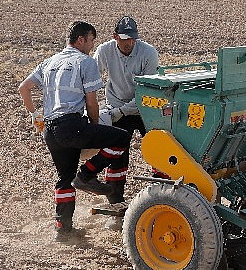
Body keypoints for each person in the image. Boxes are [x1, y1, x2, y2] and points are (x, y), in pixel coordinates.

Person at [18, 20, 132, 241]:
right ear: (81, 40)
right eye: (90, 40)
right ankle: (87, 175)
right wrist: (96, 126)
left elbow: (24, 88)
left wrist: (35, 115)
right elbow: (91, 103)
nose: (91, 46)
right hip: (72, 125)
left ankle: (63, 230)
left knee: (63, 178)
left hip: (50, 130)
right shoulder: (85, 62)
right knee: (121, 139)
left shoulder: (49, 62)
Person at [93, 16, 163, 229]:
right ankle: (115, 206)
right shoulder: (104, 51)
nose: (129, 43)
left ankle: (160, 201)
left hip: (144, 108)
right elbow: (92, 80)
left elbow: (146, 93)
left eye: (133, 38)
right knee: (116, 154)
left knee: (158, 150)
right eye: (124, 39)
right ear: (114, 37)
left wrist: (120, 112)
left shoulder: (149, 53)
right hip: (115, 106)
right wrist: (98, 111)